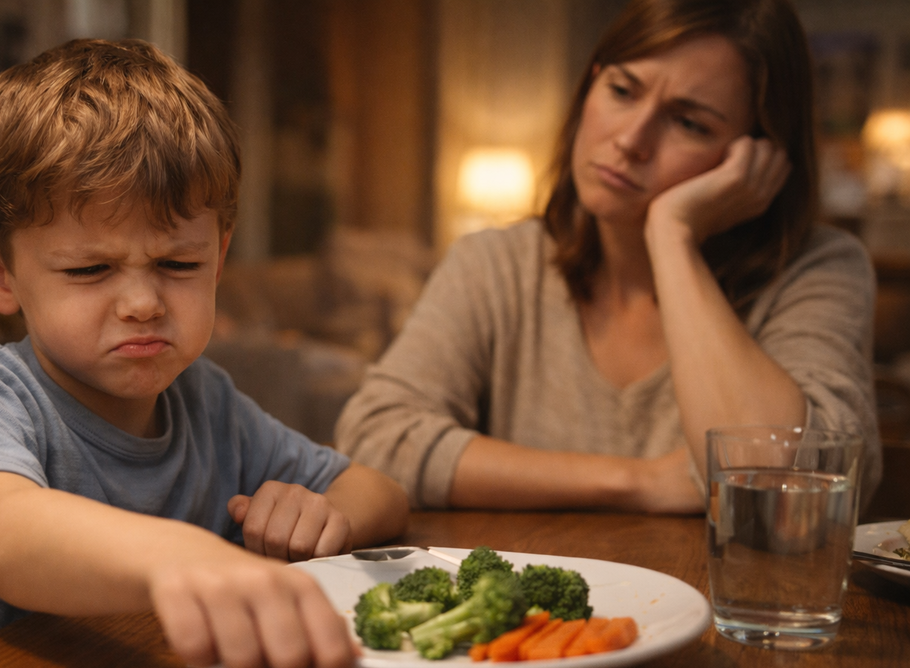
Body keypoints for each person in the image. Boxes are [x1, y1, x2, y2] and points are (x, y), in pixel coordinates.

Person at [0, 38, 408, 668]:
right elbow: (1, 533)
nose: (142, 303)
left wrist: (323, 512)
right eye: (90, 270)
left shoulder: (206, 401)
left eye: (178, 265)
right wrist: (184, 558)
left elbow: (379, 491)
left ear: (218, 258)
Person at [336, 0, 881, 513]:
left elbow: (788, 492)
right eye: (623, 91)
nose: (631, 139)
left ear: (757, 160)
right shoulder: (497, 264)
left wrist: (673, 236)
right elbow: (376, 435)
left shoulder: (819, 269)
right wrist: (637, 482)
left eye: (689, 123)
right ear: (591, 83)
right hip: (537, 611)